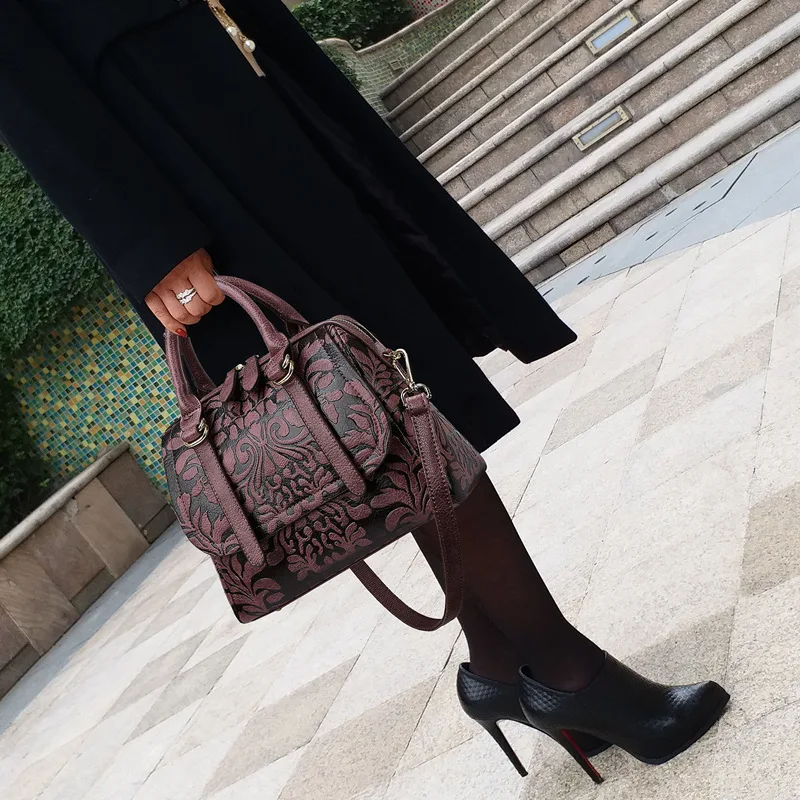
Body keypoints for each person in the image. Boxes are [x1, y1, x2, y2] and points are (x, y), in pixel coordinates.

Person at [0, 0, 728, 783]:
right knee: (377, 408)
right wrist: (144, 241)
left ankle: (497, 661)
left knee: (384, 415)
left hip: (249, 91)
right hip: (180, 158)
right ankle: (565, 672)